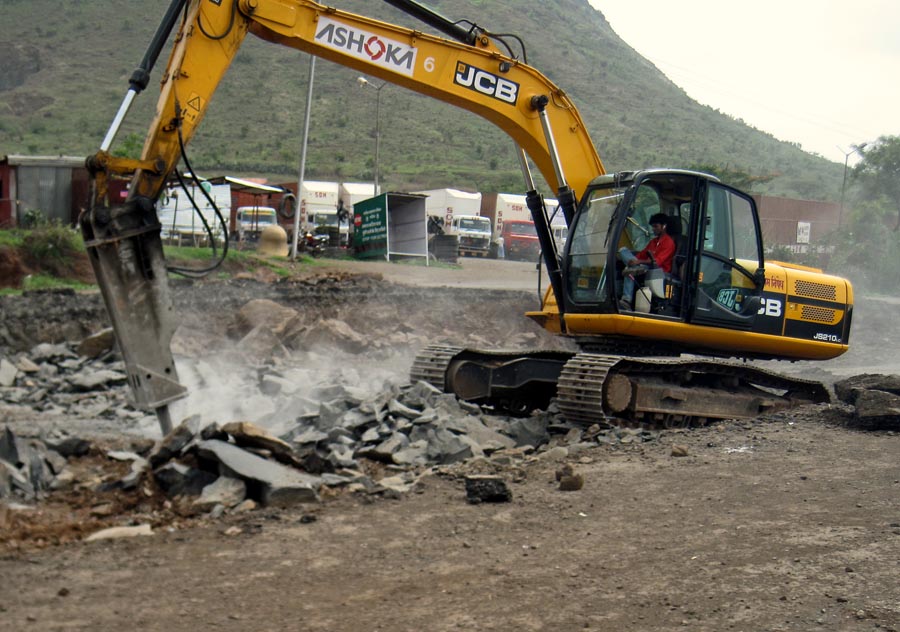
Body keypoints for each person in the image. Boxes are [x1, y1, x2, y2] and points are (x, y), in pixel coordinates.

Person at [618, 213, 676, 310]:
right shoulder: (653, 242)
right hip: (645, 266)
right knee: (623, 250)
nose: (653, 229)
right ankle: (635, 268)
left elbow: (657, 261)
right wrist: (633, 260)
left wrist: (638, 262)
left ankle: (627, 300)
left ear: (664, 226)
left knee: (630, 269)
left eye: (656, 226)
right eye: (652, 227)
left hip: (658, 270)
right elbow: (642, 254)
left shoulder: (669, 243)